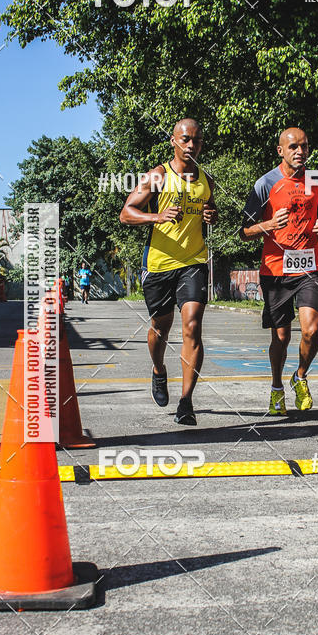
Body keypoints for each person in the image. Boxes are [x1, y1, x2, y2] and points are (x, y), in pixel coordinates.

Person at [119, 118, 217, 426]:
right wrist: (157, 216)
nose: (191, 146)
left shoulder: (205, 178)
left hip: (194, 261)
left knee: (192, 325)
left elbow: (209, 210)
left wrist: (212, 215)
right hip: (160, 264)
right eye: (186, 140)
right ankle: (159, 370)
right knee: (160, 329)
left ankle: (186, 402)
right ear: (173, 141)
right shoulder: (158, 176)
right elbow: (126, 213)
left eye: (197, 141)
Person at [240, 127, 318, 415]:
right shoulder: (265, 184)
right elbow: (244, 231)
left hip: (310, 264)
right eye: (293, 147)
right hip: (276, 268)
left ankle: (300, 376)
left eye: (304, 146)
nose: (300, 152)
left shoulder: (317, 181)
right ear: (281, 150)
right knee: (281, 337)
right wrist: (268, 225)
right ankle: (277, 387)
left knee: (311, 329)